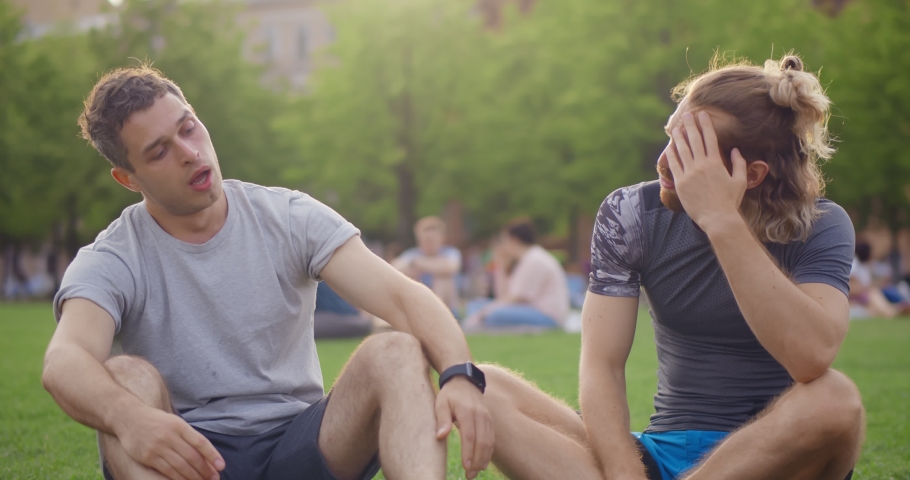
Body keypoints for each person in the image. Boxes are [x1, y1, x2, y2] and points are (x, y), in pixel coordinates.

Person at [41, 65, 494, 480]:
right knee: (124, 377)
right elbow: (65, 360)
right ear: (129, 178)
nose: (188, 152)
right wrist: (131, 419)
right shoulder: (115, 254)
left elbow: (403, 299)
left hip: (301, 442)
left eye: (188, 128)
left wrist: (460, 375)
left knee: (395, 350)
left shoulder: (287, 215)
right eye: (159, 151)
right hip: (190, 455)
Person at [476, 54, 864, 479]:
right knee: (483, 384)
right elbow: (601, 364)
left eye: (687, 153)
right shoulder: (630, 214)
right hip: (655, 458)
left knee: (836, 400)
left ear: (750, 174)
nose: (662, 161)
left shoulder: (822, 225)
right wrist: (625, 472)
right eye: (669, 138)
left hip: (771, 462)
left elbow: (811, 357)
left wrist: (722, 222)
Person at [462, 219, 568, 331]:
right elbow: (503, 295)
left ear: (514, 240)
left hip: (548, 316)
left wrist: (484, 312)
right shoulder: (525, 260)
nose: (502, 246)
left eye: (504, 240)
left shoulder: (535, 260)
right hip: (530, 310)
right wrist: (500, 264)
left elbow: (516, 298)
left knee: (494, 315)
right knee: (475, 306)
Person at [392, 216, 462, 313]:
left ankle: (435, 312)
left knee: (443, 278)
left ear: (442, 238)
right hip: (418, 301)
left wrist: (418, 264)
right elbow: (394, 269)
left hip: (446, 304)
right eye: (426, 240)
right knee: (407, 274)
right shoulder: (412, 254)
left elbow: (451, 267)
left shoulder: (450, 252)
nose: (429, 243)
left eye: (432, 240)